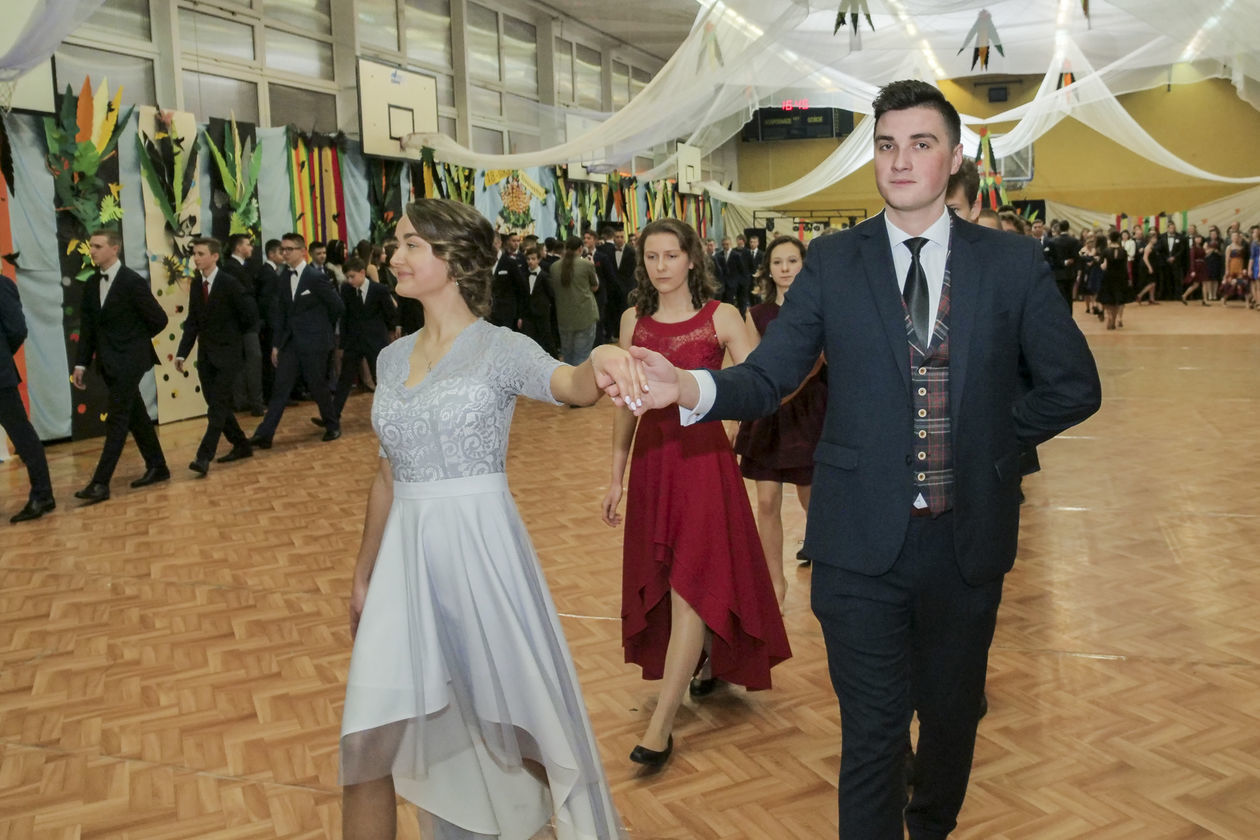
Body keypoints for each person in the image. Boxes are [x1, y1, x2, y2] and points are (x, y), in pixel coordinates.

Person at [602, 80, 1101, 838]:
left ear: (953, 158)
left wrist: (986, 440)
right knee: (872, 733)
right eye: (886, 144)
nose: (900, 160)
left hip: (966, 541)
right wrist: (691, 386)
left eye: (921, 144)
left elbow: (1073, 386)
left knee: (950, 720)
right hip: (856, 545)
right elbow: (770, 375)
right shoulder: (835, 261)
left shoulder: (1010, 262)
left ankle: (929, 825)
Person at [339, 198, 630, 840]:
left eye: (411, 244)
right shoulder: (391, 359)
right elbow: (387, 474)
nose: (394, 256)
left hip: (480, 556)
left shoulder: (500, 348)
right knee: (367, 743)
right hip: (403, 566)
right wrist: (363, 575)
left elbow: (571, 386)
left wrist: (604, 356)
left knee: (516, 729)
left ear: (453, 258)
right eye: (396, 243)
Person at [601, 217, 791, 768]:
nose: (661, 266)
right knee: (666, 574)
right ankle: (707, 659)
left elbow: (758, 387)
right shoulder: (633, 321)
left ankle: (661, 725)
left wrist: (730, 430)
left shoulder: (722, 316)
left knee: (690, 580)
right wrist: (616, 475)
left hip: (704, 463)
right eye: (651, 256)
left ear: (691, 258)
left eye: (671, 255)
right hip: (654, 463)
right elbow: (626, 407)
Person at [732, 235, 826, 603]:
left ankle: (826, 574)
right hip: (769, 417)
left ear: (804, 265)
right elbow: (751, 365)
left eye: (792, 261)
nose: (785, 268)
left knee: (813, 502)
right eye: (777, 262)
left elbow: (822, 362)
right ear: (768, 270)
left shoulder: (820, 309)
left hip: (810, 412)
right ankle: (775, 585)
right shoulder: (757, 314)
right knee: (768, 502)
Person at [72, 230, 170, 504]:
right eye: (91, 246)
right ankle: (158, 466)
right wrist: (81, 363)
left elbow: (159, 319)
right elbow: (88, 328)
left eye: (98, 246)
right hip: (108, 362)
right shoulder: (92, 283)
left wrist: (132, 343)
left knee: (117, 419)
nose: (92, 250)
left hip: (130, 361)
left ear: (114, 249)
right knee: (135, 414)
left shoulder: (131, 281)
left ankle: (100, 483)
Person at [250, 232, 344, 448]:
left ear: (302, 251)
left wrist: (320, 329)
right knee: (280, 388)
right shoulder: (283, 277)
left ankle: (332, 425)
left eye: (289, 249)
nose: (285, 253)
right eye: (282, 249)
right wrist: (276, 345)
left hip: (315, 343)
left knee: (317, 386)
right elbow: (281, 314)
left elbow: (337, 307)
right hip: (291, 343)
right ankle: (264, 434)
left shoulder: (315, 277)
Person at [175, 237, 259, 475]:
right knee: (215, 403)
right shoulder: (196, 284)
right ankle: (241, 444)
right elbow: (193, 321)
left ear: (214, 256)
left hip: (228, 355)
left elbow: (249, 315)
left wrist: (233, 338)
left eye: (201, 254)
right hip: (206, 356)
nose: (196, 258)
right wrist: (182, 353)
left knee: (218, 406)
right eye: (194, 254)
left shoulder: (229, 283)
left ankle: (204, 456)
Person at [1, 274, 55, 522]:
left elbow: (17, 329)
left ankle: (42, 495)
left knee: (22, 435)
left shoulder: (2, 285)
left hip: (0, 378)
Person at [322, 256, 398, 428]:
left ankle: (390, 415)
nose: (349, 280)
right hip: (354, 342)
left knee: (381, 379)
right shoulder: (346, 290)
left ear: (363, 272)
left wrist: (393, 330)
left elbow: (389, 313)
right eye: (347, 277)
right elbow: (345, 317)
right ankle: (333, 416)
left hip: (376, 341)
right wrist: (343, 343)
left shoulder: (379, 290)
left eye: (352, 276)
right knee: (345, 380)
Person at [219, 233, 267, 416]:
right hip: (244, 324)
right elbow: (242, 299)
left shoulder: (237, 268)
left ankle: (243, 401)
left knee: (243, 364)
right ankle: (255, 403)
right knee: (253, 362)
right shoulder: (232, 269)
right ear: (238, 247)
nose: (251, 247)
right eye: (248, 244)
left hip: (242, 324)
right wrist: (252, 320)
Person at [552, 237, 601, 367]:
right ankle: (579, 380)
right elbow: (595, 287)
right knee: (582, 356)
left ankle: (568, 379)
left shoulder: (554, 267)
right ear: (580, 249)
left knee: (567, 355)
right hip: (585, 315)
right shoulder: (586, 265)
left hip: (564, 317)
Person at [520, 246, 560, 357]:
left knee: (547, 339)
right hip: (528, 314)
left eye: (533, 259)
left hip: (542, 313)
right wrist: (521, 316)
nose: (530, 261)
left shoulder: (545, 276)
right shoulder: (523, 275)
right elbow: (522, 296)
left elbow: (552, 295)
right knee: (529, 340)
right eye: (528, 259)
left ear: (539, 260)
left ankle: (554, 360)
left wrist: (548, 308)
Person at [1099, 230, 1130, 329]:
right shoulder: (1123, 251)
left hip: (1108, 276)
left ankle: (1109, 315)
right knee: (1118, 299)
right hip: (1120, 277)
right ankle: (1115, 318)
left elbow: (1103, 265)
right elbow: (1125, 266)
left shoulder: (1106, 251)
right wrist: (1128, 278)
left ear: (1110, 238)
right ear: (1118, 238)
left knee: (1108, 298)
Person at [1181, 234, 1207, 306]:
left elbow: (1204, 256)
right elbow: (1192, 259)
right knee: (1198, 284)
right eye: (1197, 238)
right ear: (1194, 240)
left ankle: (1184, 296)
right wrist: (1192, 270)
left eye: (1200, 238)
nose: (1199, 239)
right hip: (1196, 267)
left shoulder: (1201, 247)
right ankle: (1204, 300)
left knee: (1200, 284)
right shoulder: (1193, 248)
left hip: (1202, 266)